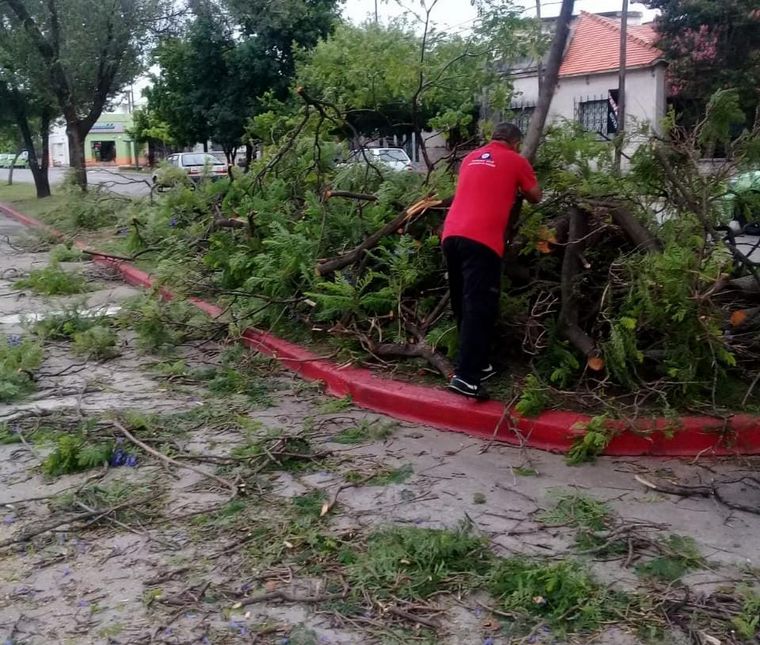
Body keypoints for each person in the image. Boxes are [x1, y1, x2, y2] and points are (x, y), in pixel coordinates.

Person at [441, 122, 542, 399]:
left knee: (463, 302)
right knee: (480, 307)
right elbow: (536, 196)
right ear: (515, 142)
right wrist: (519, 185)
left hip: (451, 235)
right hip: (481, 241)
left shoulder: (471, 158)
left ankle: (479, 364)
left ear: (493, 138)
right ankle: (466, 377)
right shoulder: (516, 160)